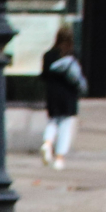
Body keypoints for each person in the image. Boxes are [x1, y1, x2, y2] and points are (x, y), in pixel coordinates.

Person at [39, 26, 86, 169]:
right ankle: (59, 158)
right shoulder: (72, 55)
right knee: (65, 126)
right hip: (69, 95)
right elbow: (77, 77)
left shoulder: (48, 55)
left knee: (53, 121)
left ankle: (47, 143)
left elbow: (44, 76)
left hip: (52, 95)